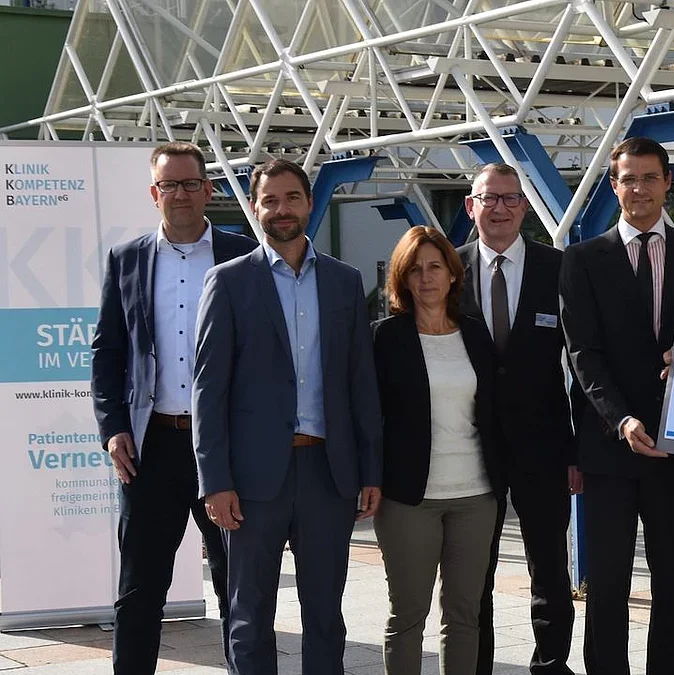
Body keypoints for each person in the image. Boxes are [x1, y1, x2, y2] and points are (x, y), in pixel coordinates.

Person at [192, 159, 383, 675]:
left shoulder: (344, 281)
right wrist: (215, 481)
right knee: (250, 613)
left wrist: (370, 470)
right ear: (255, 209)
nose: (282, 209)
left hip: (328, 473)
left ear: (309, 203)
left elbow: (361, 383)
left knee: (326, 613)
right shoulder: (228, 281)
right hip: (252, 481)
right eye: (270, 200)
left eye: (292, 197)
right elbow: (208, 389)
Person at [91, 141, 257, 674]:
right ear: (153, 192)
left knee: (238, 586)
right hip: (152, 446)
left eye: (190, 184)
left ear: (208, 189)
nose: (180, 194)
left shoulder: (244, 256)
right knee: (139, 588)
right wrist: (112, 427)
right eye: (169, 185)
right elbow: (108, 351)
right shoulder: (127, 259)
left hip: (225, 447)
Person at [559, 137, 674, 675]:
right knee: (608, 582)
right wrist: (621, 420)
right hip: (612, 447)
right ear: (614, 185)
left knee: (672, 581)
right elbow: (583, 353)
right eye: (629, 178)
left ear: (668, 182)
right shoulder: (584, 258)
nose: (640, 189)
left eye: (650, 177)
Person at [456, 163, 578, 675]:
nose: (500, 208)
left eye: (510, 198)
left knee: (549, 568)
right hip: (469, 447)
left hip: (544, 447)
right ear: (471, 206)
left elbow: (582, 362)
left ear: (525, 207)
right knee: (473, 572)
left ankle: (550, 665)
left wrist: (576, 451)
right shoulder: (447, 268)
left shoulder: (560, 267)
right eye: (489, 198)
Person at [372, 226, 505, 675]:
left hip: (476, 496)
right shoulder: (384, 338)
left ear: (452, 274)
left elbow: (493, 410)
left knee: (465, 615)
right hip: (409, 498)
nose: (426, 277)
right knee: (408, 616)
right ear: (402, 279)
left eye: (435, 267)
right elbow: (369, 418)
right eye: (415, 269)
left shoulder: (475, 334)